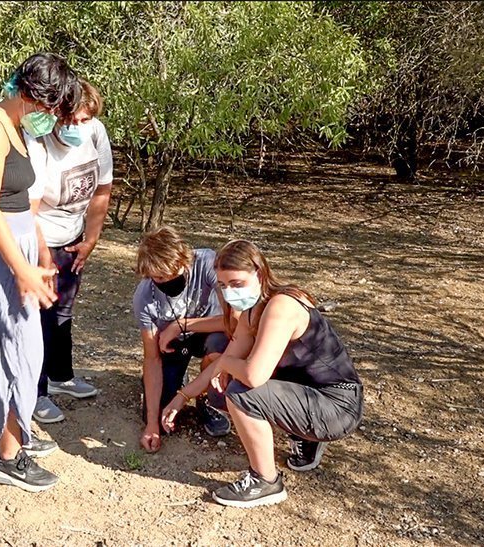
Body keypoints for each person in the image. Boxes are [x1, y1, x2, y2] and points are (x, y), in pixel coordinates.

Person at [161, 239, 363, 508]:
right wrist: (181, 397)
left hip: (338, 406)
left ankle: (266, 481)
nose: (229, 292)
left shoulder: (282, 306)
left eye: (237, 283)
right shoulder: (252, 312)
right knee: (221, 391)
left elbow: (253, 376)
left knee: (241, 392)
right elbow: (227, 360)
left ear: (259, 272)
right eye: (223, 285)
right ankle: (305, 435)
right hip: (308, 393)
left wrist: (224, 364)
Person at [0, 53, 80, 493]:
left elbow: (23, 203)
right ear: (32, 96)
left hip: (20, 248)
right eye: (53, 108)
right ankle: (7, 459)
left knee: (27, 350)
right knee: (15, 354)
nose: (54, 118)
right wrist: (20, 268)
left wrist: (41, 255)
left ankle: (15, 431)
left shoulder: (16, 128)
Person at [25, 79, 113, 423]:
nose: (77, 127)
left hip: (73, 237)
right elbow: (28, 210)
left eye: (84, 120)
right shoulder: (39, 141)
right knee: (38, 317)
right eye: (70, 119)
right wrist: (43, 257)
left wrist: (91, 239)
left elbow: (102, 190)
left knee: (63, 312)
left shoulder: (95, 133)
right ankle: (34, 392)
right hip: (40, 238)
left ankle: (60, 376)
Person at [132, 227, 234, 453]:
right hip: (172, 344)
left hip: (210, 329)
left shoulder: (206, 262)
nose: (166, 281)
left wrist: (181, 325)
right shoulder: (144, 298)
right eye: (158, 277)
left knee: (222, 346)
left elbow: (233, 323)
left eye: (172, 273)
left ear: (184, 261)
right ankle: (176, 380)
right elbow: (152, 358)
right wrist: (151, 424)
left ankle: (205, 397)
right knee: (159, 416)